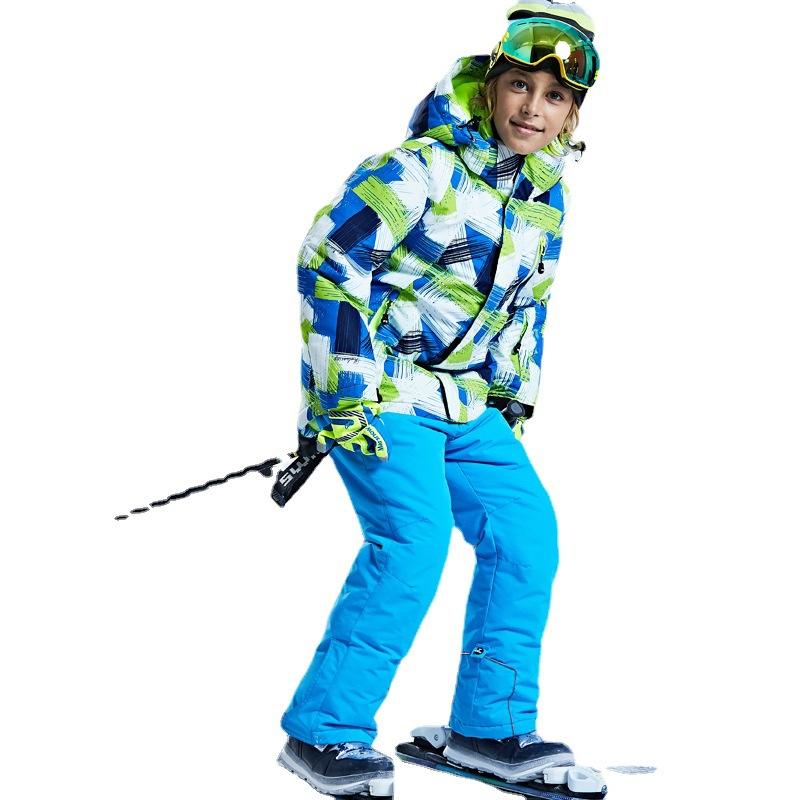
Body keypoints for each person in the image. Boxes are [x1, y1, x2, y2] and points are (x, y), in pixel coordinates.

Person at [277, 2, 601, 796]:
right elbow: (329, 260)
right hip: (382, 389)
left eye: (555, 97)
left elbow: (528, 306)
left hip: (467, 403)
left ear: (572, 114)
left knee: (526, 535)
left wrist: (511, 401)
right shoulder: (418, 168)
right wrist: (343, 392)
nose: (533, 108)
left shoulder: (546, 198)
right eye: (520, 85)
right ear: (489, 85)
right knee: (413, 543)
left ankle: (488, 726)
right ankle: (324, 731)